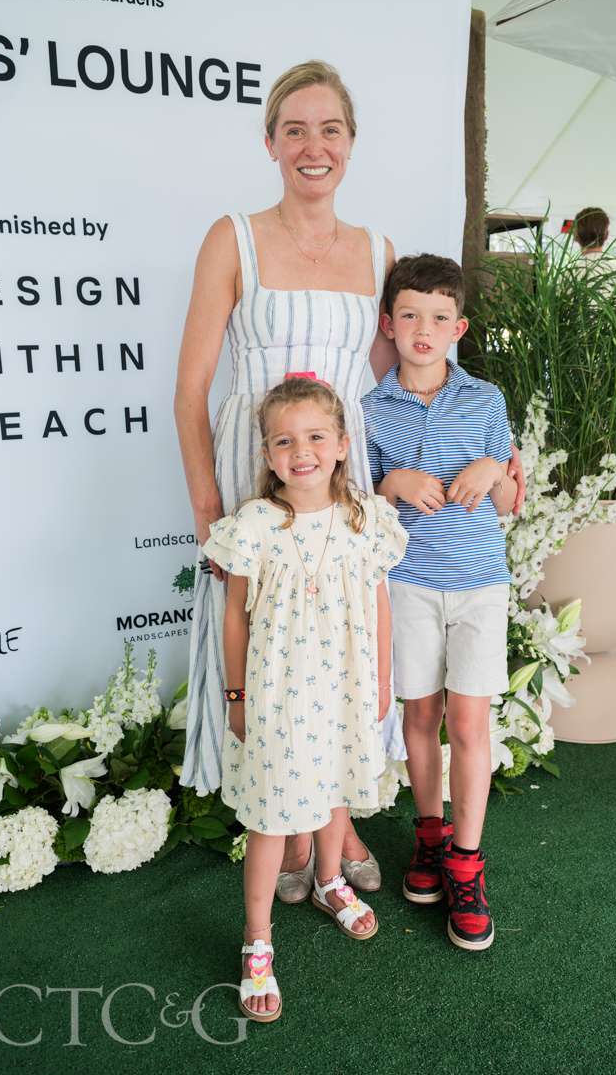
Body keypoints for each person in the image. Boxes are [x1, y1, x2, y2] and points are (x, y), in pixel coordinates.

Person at [174, 60, 405, 900]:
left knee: (343, 646)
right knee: (268, 661)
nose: (314, 146)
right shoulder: (231, 235)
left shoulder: (379, 250)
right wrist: (211, 507)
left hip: (339, 472)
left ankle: (334, 832)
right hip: (254, 470)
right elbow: (191, 384)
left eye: (330, 129)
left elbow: (393, 371)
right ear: (270, 142)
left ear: (350, 143)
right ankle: (287, 832)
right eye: (295, 129)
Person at [202, 375, 408, 1021]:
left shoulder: (364, 519)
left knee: (334, 791)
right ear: (267, 455)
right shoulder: (255, 525)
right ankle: (256, 941)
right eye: (284, 441)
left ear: (342, 444)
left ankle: (328, 881)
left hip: (344, 685)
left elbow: (378, 602)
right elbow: (234, 616)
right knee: (269, 817)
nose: (302, 452)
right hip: (275, 692)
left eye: (316, 437)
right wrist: (236, 695)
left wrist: (380, 682)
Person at [361, 254, 516, 953]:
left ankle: (466, 860)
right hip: (408, 583)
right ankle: (428, 835)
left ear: (459, 326)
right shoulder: (367, 409)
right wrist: (391, 480)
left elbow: (509, 502)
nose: (423, 329)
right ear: (388, 324)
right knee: (419, 713)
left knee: (470, 721)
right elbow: (352, 506)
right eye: (409, 315)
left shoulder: (485, 400)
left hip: (480, 582)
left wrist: (492, 469)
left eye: (438, 317)